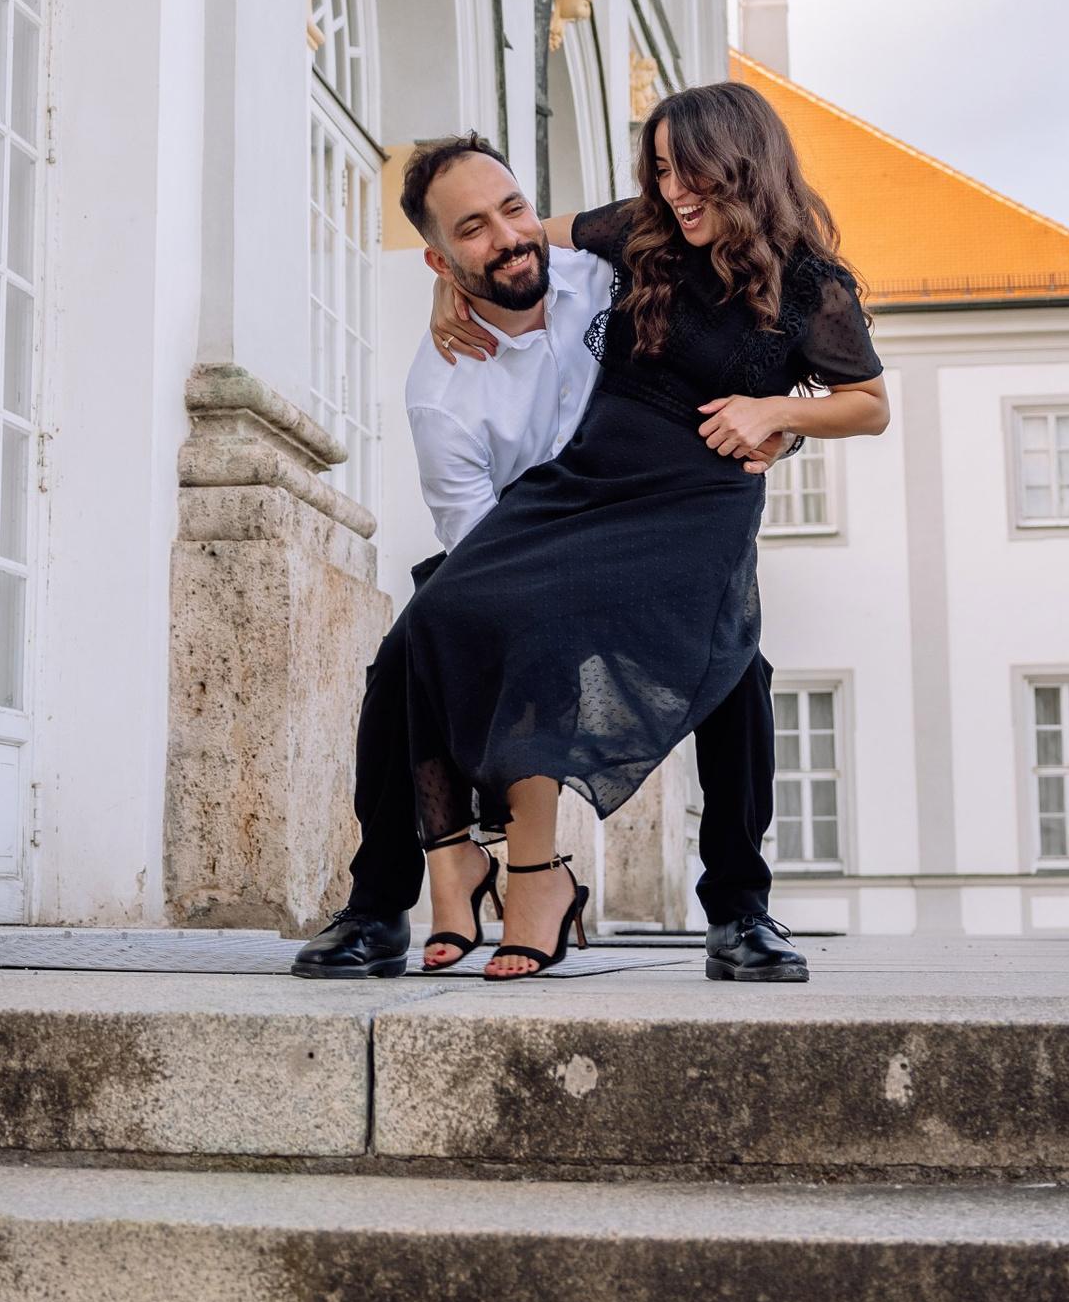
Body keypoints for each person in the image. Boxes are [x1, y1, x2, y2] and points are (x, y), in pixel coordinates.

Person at [296, 88, 889, 980]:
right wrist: (446, 288)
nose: (674, 190)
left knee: (738, 668)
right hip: (565, 509)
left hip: (685, 507)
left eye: (690, 171)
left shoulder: (629, 268)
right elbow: (474, 535)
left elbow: (864, 402)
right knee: (416, 639)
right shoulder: (476, 363)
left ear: (741, 163)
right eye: (662, 170)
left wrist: (780, 420)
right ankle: (383, 904)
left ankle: (740, 910)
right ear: (443, 257)